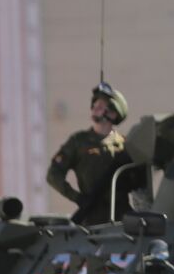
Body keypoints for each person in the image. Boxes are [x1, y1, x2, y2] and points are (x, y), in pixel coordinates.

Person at [46, 81, 130, 222]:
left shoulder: (125, 144)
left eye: (101, 106)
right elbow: (53, 175)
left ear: (113, 113)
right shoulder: (79, 142)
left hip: (122, 218)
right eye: (95, 105)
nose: (95, 109)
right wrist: (77, 198)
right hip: (92, 218)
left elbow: (141, 185)